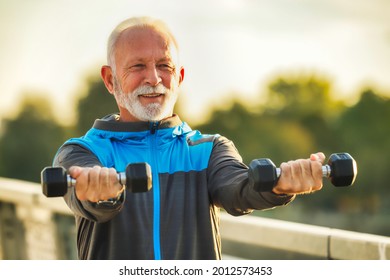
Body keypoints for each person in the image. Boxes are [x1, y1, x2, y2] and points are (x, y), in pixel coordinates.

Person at [53, 16, 325, 260]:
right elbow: (89, 201)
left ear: (179, 77)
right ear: (110, 79)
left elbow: (240, 191)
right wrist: (100, 192)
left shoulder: (210, 149)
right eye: (137, 66)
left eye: (164, 66)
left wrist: (280, 184)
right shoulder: (81, 152)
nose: (154, 78)